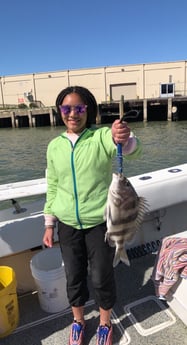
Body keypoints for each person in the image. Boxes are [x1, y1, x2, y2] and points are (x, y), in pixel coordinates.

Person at [43, 86, 141, 345]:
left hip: (100, 223)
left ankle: (105, 324)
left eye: (79, 108)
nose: (72, 113)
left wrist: (125, 137)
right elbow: (52, 185)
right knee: (74, 277)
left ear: (89, 111)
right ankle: (78, 321)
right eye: (66, 108)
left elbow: (132, 149)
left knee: (101, 276)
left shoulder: (100, 137)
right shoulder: (54, 147)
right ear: (59, 111)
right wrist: (49, 223)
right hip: (67, 224)